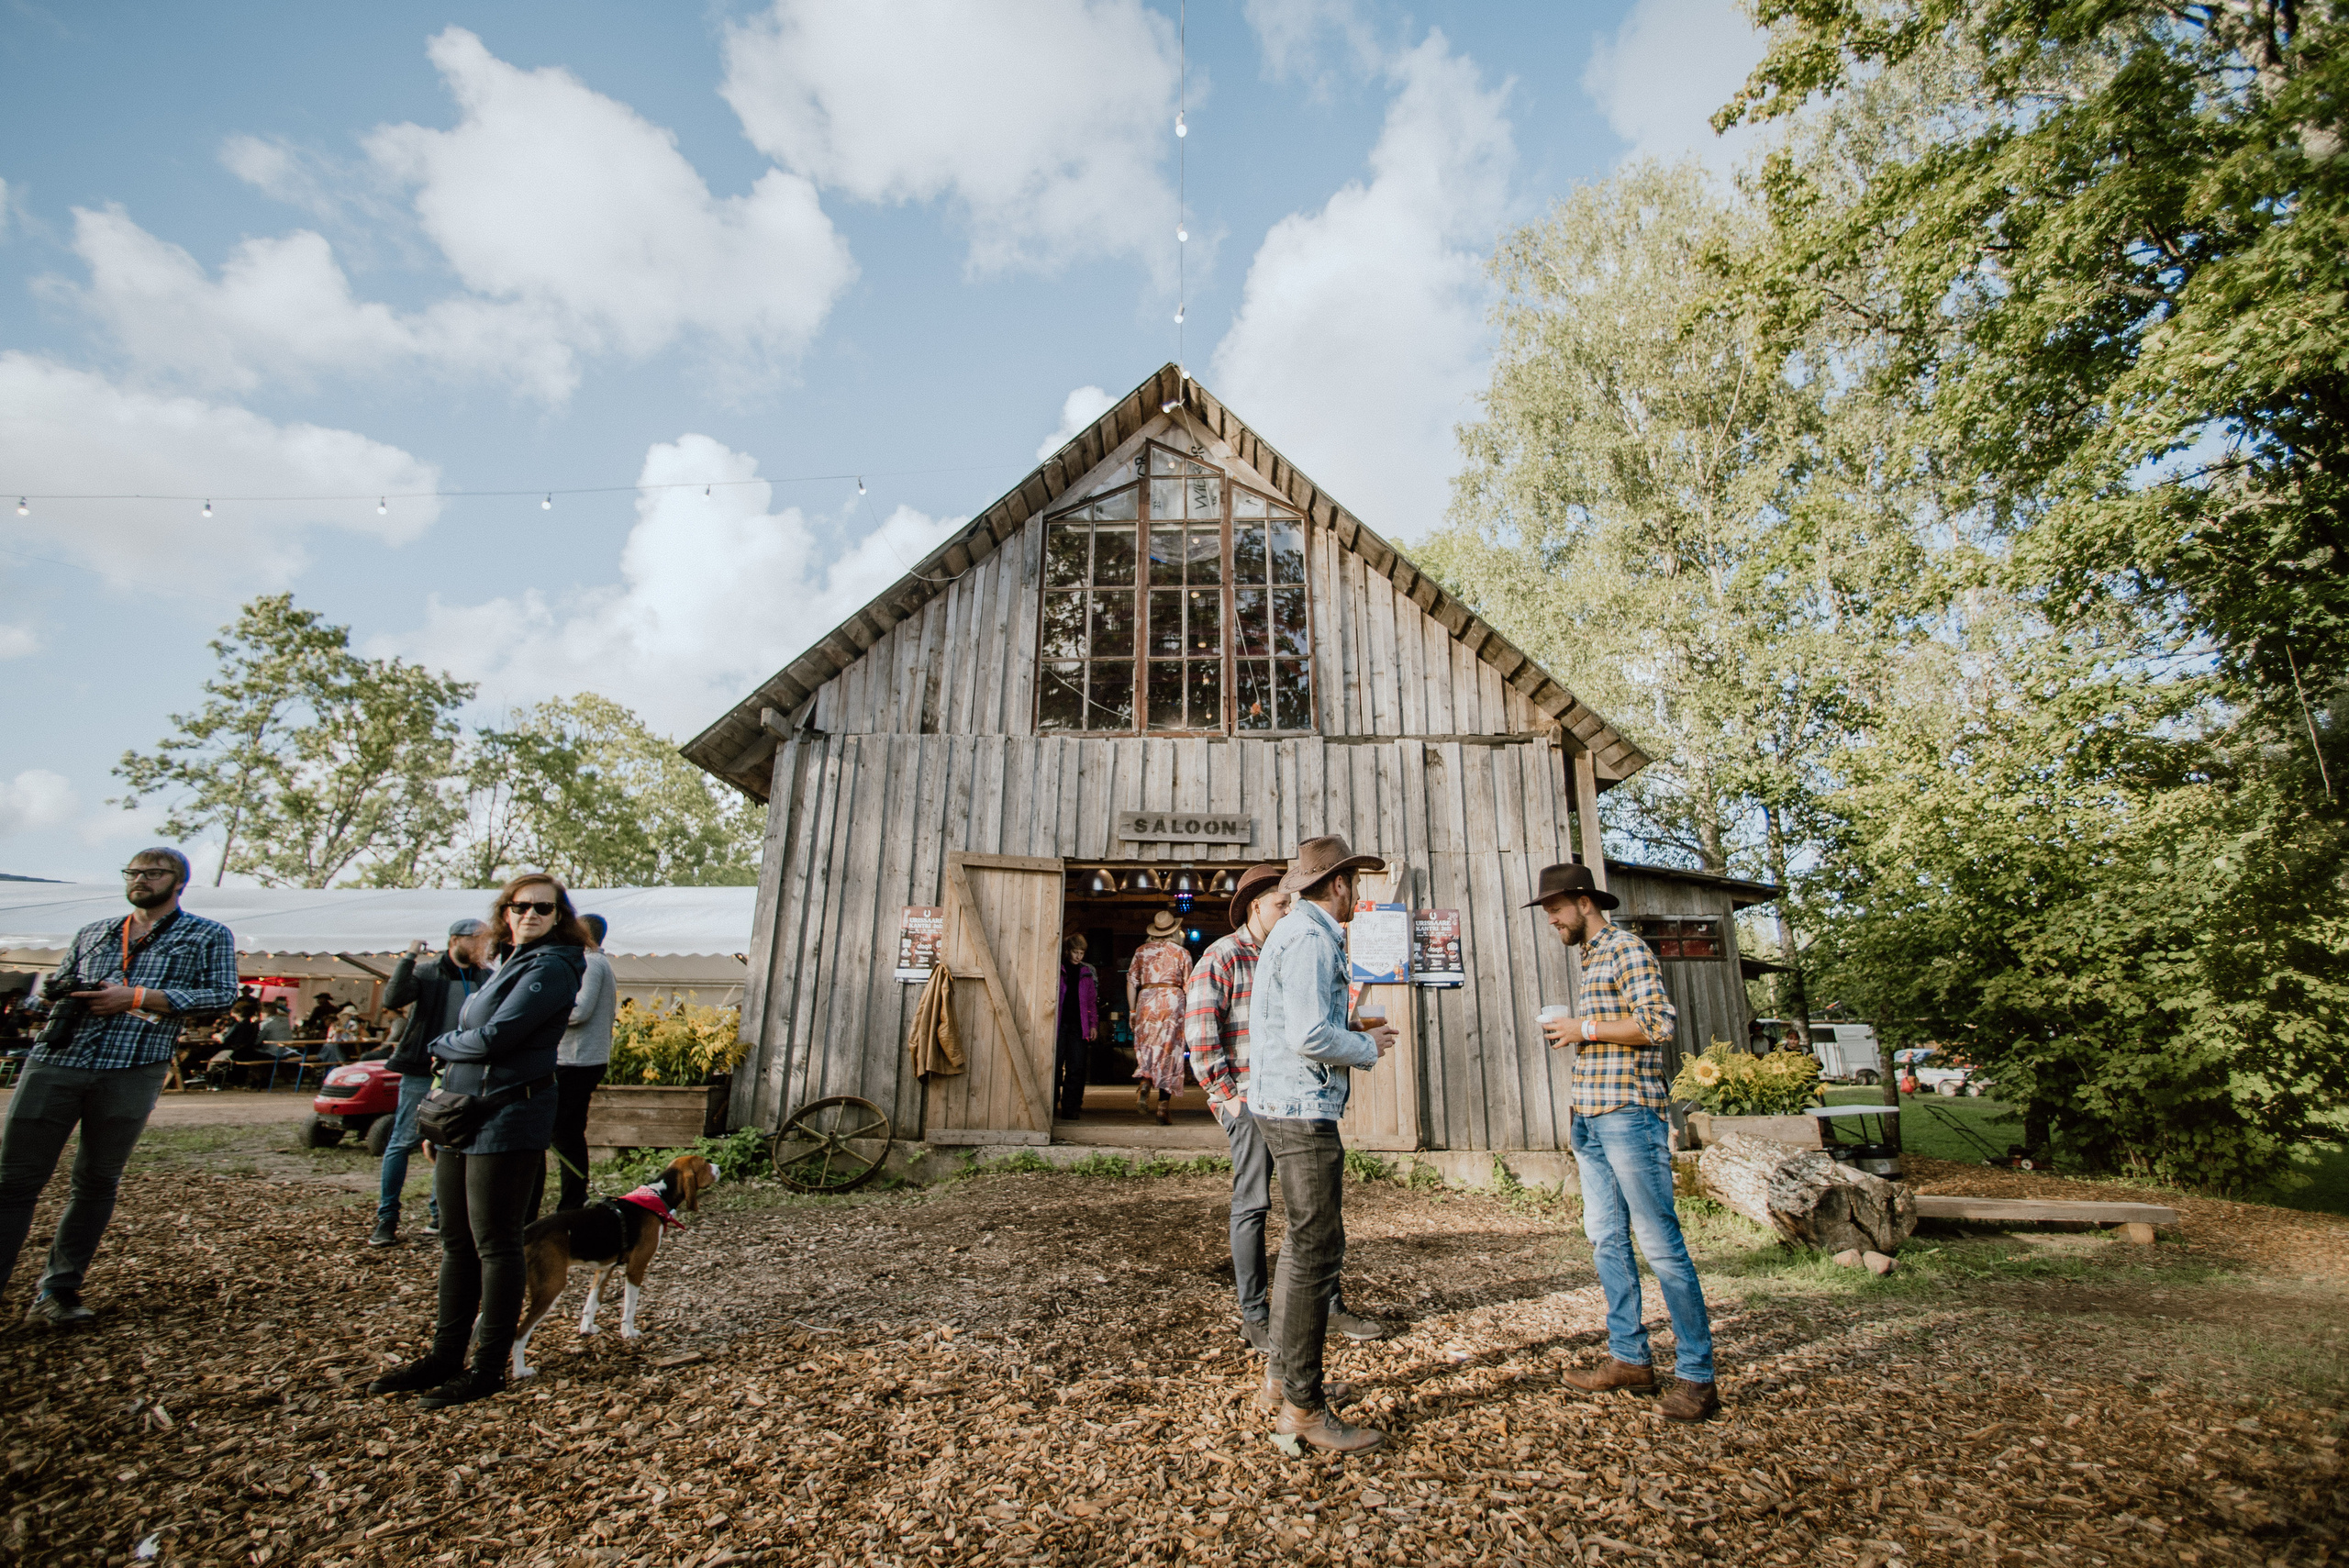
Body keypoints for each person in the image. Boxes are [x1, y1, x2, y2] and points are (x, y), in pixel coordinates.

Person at [369, 874, 587, 1409]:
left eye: (543, 908)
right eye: (521, 907)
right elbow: (477, 1037)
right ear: (505, 913)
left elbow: (495, 1037)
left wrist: (441, 1044)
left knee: (497, 1244)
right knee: (457, 1242)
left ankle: (488, 1368)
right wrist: (444, 1097)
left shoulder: (554, 966)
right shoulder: (508, 963)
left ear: (559, 917)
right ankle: (445, 1357)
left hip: (510, 1114)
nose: (530, 915)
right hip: (465, 1114)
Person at [0, 848, 237, 1327]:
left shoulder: (208, 934)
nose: (141, 880)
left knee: (95, 1181)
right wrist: (63, 990)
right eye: (133, 873)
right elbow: (58, 982)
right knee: (13, 1183)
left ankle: (58, 1291)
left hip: (133, 1065)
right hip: (58, 1059)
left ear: (180, 881)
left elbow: (221, 993)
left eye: (153, 873)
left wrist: (139, 997)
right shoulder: (96, 932)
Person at [1531, 861, 1718, 1422]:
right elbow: (1615, 1033)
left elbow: (1658, 1024)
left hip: (1629, 1116)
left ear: (1584, 902)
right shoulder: (1592, 956)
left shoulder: (1627, 949)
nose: (1551, 921)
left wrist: (1582, 1029)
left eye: (1554, 910)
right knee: (1606, 1238)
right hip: (1590, 1115)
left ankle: (1698, 1377)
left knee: (1659, 1243)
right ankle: (1630, 1359)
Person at [1186, 862, 1390, 1357]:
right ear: (1256, 906)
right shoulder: (1222, 956)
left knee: (1315, 1211)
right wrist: (1229, 1097)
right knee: (1254, 1204)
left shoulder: (1289, 947)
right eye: (1281, 904)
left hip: (1294, 1096)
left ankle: (1327, 1304)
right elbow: (1199, 1034)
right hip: (1249, 1099)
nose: (1289, 910)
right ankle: (1255, 1314)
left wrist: (1354, 1027)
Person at [1247, 835, 1397, 1454]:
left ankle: (1282, 1377)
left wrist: (1354, 1025)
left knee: (1303, 1249)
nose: (1357, 893)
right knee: (1317, 1249)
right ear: (1336, 883)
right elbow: (1309, 1033)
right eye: (1354, 883)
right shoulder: (1310, 936)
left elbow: (1297, 1019)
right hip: (1302, 1110)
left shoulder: (1295, 932)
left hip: (1284, 1102)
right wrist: (1367, 1048)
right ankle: (1304, 1408)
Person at [369, 919, 494, 1249]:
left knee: (449, 1140)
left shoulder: (485, 976)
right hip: (421, 1066)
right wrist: (409, 956)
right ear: (456, 940)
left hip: (461, 1070)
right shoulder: (428, 972)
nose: (483, 945)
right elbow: (394, 997)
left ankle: (440, 1216)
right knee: (403, 1141)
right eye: (477, 939)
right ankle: (387, 1219)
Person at [545, 912, 617, 1215]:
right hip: (580, 1058)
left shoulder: (592, 964)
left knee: (566, 1132)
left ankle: (574, 1200)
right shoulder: (595, 963)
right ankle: (574, 1198)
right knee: (566, 1131)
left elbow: (579, 1011)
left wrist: (544, 1010)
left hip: (577, 1059)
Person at [1126, 911, 1193, 1124]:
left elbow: (1131, 982)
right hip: (1172, 1000)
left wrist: (1132, 1010)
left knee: (1148, 1046)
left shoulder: (1141, 952)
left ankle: (1145, 1080)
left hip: (1147, 1000)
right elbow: (1188, 985)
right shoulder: (1182, 953)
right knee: (1170, 1052)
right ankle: (1163, 1108)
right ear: (1174, 931)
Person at [1054, 934, 1101, 1120]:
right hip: (1059, 1025)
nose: (1078, 956)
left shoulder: (1087, 973)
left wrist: (1093, 1025)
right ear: (1068, 951)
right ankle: (1051, 1104)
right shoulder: (1058, 970)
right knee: (1055, 1066)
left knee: (1076, 1067)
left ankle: (1071, 1107)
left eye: (1081, 953)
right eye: (1075, 952)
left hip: (1078, 1026)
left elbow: (1091, 1003)